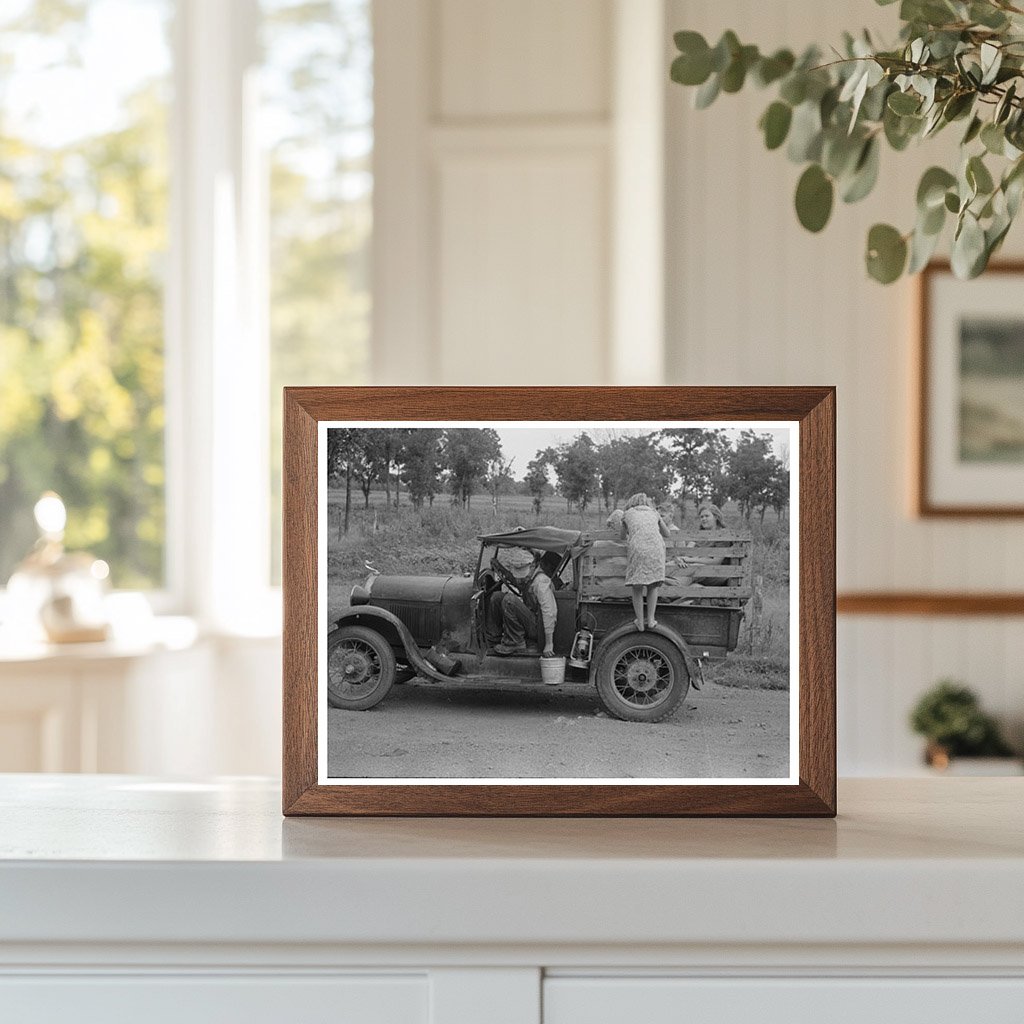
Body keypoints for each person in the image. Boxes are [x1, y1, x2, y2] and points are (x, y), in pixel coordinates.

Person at [618, 492, 671, 632]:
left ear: (631, 503)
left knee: (637, 587)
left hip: (638, 548)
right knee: (653, 585)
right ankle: (651, 620)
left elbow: (622, 536)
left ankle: (640, 622)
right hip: (656, 548)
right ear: (647, 503)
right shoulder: (654, 513)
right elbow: (667, 534)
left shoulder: (627, 513)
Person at [490, 550, 559, 657]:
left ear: (533, 566)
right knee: (497, 597)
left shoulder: (541, 582)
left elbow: (549, 612)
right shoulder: (530, 577)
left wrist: (549, 643)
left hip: (538, 628)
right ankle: (495, 636)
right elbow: (516, 582)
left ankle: (515, 642)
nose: (521, 577)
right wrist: (499, 567)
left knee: (509, 600)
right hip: (531, 620)